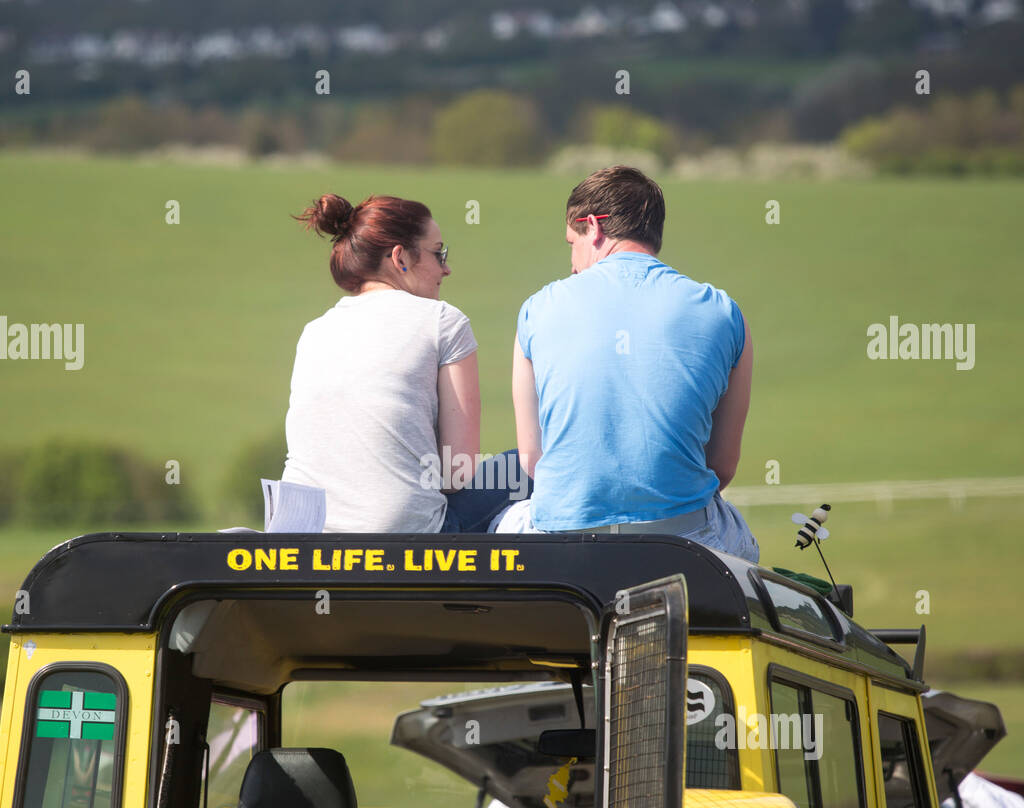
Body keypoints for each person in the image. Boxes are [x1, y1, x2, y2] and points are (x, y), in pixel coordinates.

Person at [494, 166, 759, 562]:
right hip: (682, 538)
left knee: (504, 521)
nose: (572, 263)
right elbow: (721, 466)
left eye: (572, 243)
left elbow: (533, 460)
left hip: (562, 534)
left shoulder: (536, 310)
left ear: (594, 227)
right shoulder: (724, 313)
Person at [281, 193, 528, 533]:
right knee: (533, 460)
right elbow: (457, 473)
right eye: (438, 252)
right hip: (404, 536)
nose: (446, 267)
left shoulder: (313, 331)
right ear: (400, 258)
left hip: (299, 534)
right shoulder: (443, 321)